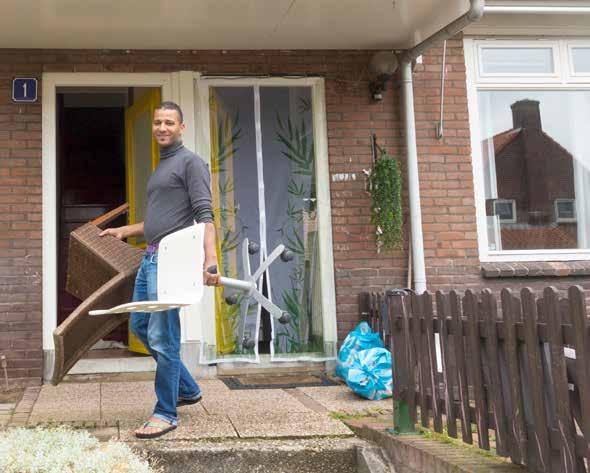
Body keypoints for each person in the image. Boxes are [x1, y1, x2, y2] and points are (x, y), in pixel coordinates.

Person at [99, 101, 219, 439]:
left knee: (163, 339)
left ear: (182, 128)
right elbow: (158, 221)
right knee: (140, 325)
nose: (162, 128)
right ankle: (188, 389)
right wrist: (125, 231)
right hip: (150, 258)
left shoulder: (191, 163)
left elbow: (204, 214)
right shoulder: (161, 167)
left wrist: (210, 261)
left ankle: (165, 413)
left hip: (172, 262)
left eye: (169, 122)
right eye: (157, 122)